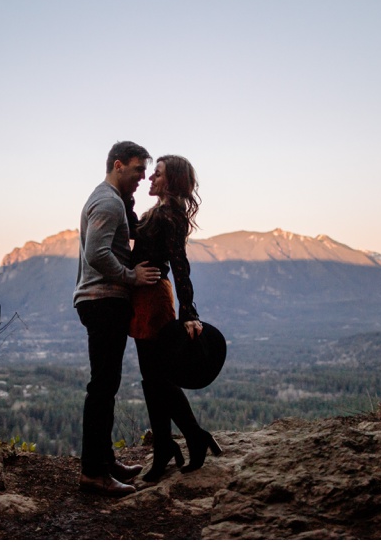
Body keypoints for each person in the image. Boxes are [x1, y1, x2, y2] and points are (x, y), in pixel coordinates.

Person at [74, 141, 162, 497]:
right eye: (139, 169)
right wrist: (131, 277)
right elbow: (96, 253)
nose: (143, 176)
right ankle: (93, 473)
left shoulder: (113, 200)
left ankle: (104, 461)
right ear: (118, 164)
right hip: (103, 300)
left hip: (103, 301)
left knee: (106, 387)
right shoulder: (108, 201)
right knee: (102, 388)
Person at [130, 155, 222, 482]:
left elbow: (180, 264)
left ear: (171, 181)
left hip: (154, 299)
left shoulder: (170, 215)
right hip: (144, 298)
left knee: (157, 379)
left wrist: (189, 313)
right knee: (154, 379)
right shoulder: (157, 212)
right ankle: (181, 441)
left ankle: (180, 442)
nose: (151, 178)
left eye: (158, 174)